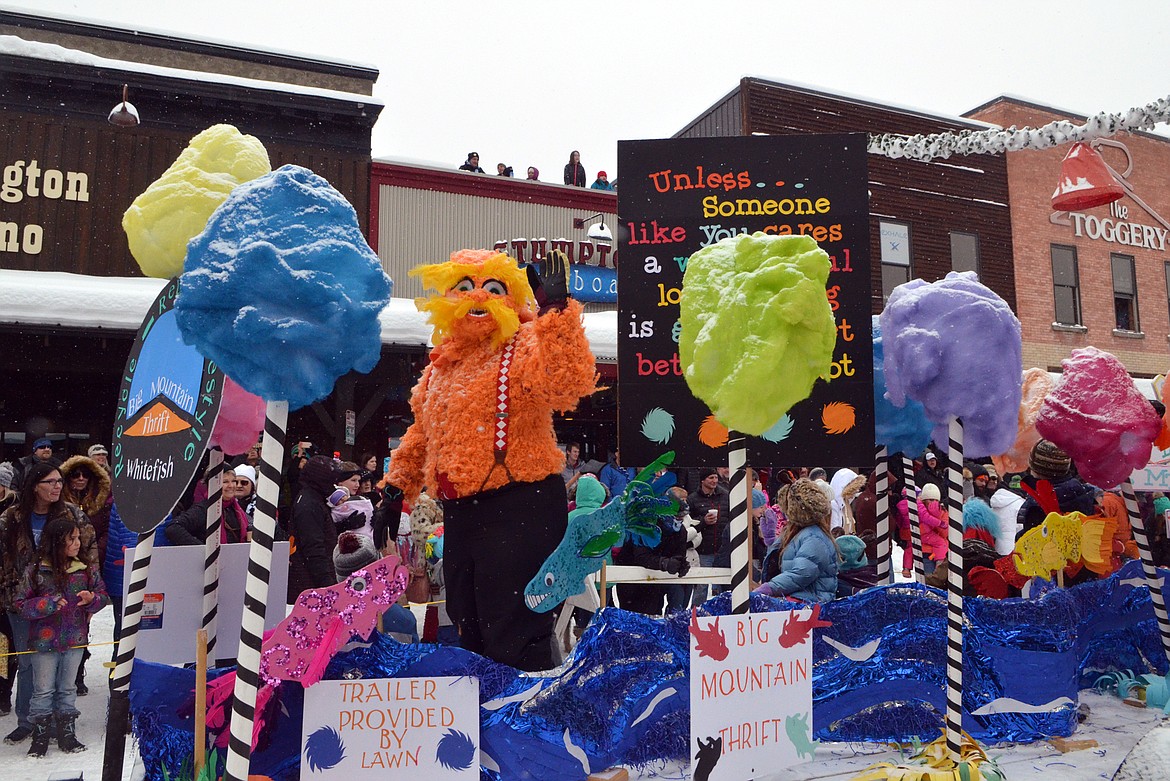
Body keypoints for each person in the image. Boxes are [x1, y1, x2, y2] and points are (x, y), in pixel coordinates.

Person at [386, 248, 595, 671]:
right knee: (468, 624)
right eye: (465, 287)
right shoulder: (439, 367)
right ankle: (481, 722)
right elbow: (423, 433)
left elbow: (566, 383)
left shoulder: (522, 343)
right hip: (463, 513)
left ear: (512, 297)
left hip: (521, 504)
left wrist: (556, 312)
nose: (478, 296)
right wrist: (396, 486)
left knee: (513, 629)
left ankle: (521, 725)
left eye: (492, 288)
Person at [0, 463, 97, 745]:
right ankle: (28, 721)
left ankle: (59, 720)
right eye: (50, 482)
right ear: (34, 486)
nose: (57, 486)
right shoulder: (12, 518)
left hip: (66, 602)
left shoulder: (73, 514)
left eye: (58, 481)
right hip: (22, 601)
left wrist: (89, 601)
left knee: (62, 661)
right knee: (29, 662)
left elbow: (90, 556)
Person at [13, 516, 108, 756]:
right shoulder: (36, 570)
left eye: (78, 538)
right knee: (43, 689)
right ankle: (40, 734)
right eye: (71, 539)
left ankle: (67, 733)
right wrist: (48, 604)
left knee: (67, 688)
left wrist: (92, 601)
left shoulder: (85, 570)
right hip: (43, 642)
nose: (77, 543)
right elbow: (20, 603)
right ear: (56, 543)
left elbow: (102, 595)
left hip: (74, 640)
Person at [59, 454, 113, 697]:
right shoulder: (57, 505)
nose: (80, 479)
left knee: (84, 619)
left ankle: (78, 673)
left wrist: (94, 552)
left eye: (85, 474)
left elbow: (107, 533)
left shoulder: (103, 504)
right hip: (60, 567)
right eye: (75, 474)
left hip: (92, 564)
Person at [755, 478, 839, 603]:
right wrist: (771, 540)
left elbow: (802, 573)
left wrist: (770, 587)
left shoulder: (814, 537)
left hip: (810, 604)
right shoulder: (799, 532)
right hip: (800, 600)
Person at [286, 455, 340, 602]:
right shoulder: (309, 504)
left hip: (308, 577)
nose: (334, 486)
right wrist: (326, 584)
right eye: (331, 481)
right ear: (321, 480)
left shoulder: (312, 498)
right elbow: (313, 546)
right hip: (308, 580)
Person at [1016, 439, 1096, 536]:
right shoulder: (1083, 493)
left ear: (1034, 466)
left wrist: (1019, 538)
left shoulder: (1038, 503)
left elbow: (1032, 541)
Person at [165, 467, 249, 546]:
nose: (231, 485)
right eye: (225, 482)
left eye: (233, 481)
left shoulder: (236, 509)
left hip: (236, 559)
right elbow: (173, 528)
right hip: (212, 560)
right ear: (212, 484)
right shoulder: (203, 509)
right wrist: (202, 550)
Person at [688, 468, 729, 604]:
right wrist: (703, 521)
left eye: (716, 478)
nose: (714, 481)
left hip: (722, 548)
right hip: (704, 549)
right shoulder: (693, 499)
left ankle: (723, 612)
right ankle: (696, 614)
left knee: (723, 585)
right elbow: (689, 523)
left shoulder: (725, 496)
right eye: (711, 478)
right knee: (701, 585)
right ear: (703, 480)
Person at [916, 483, 949, 575]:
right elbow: (919, 531)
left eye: (936, 500)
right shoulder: (918, 512)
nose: (933, 502)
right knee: (929, 580)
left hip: (941, 553)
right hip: (925, 552)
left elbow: (945, 533)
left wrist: (936, 517)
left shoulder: (943, 511)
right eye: (930, 500)